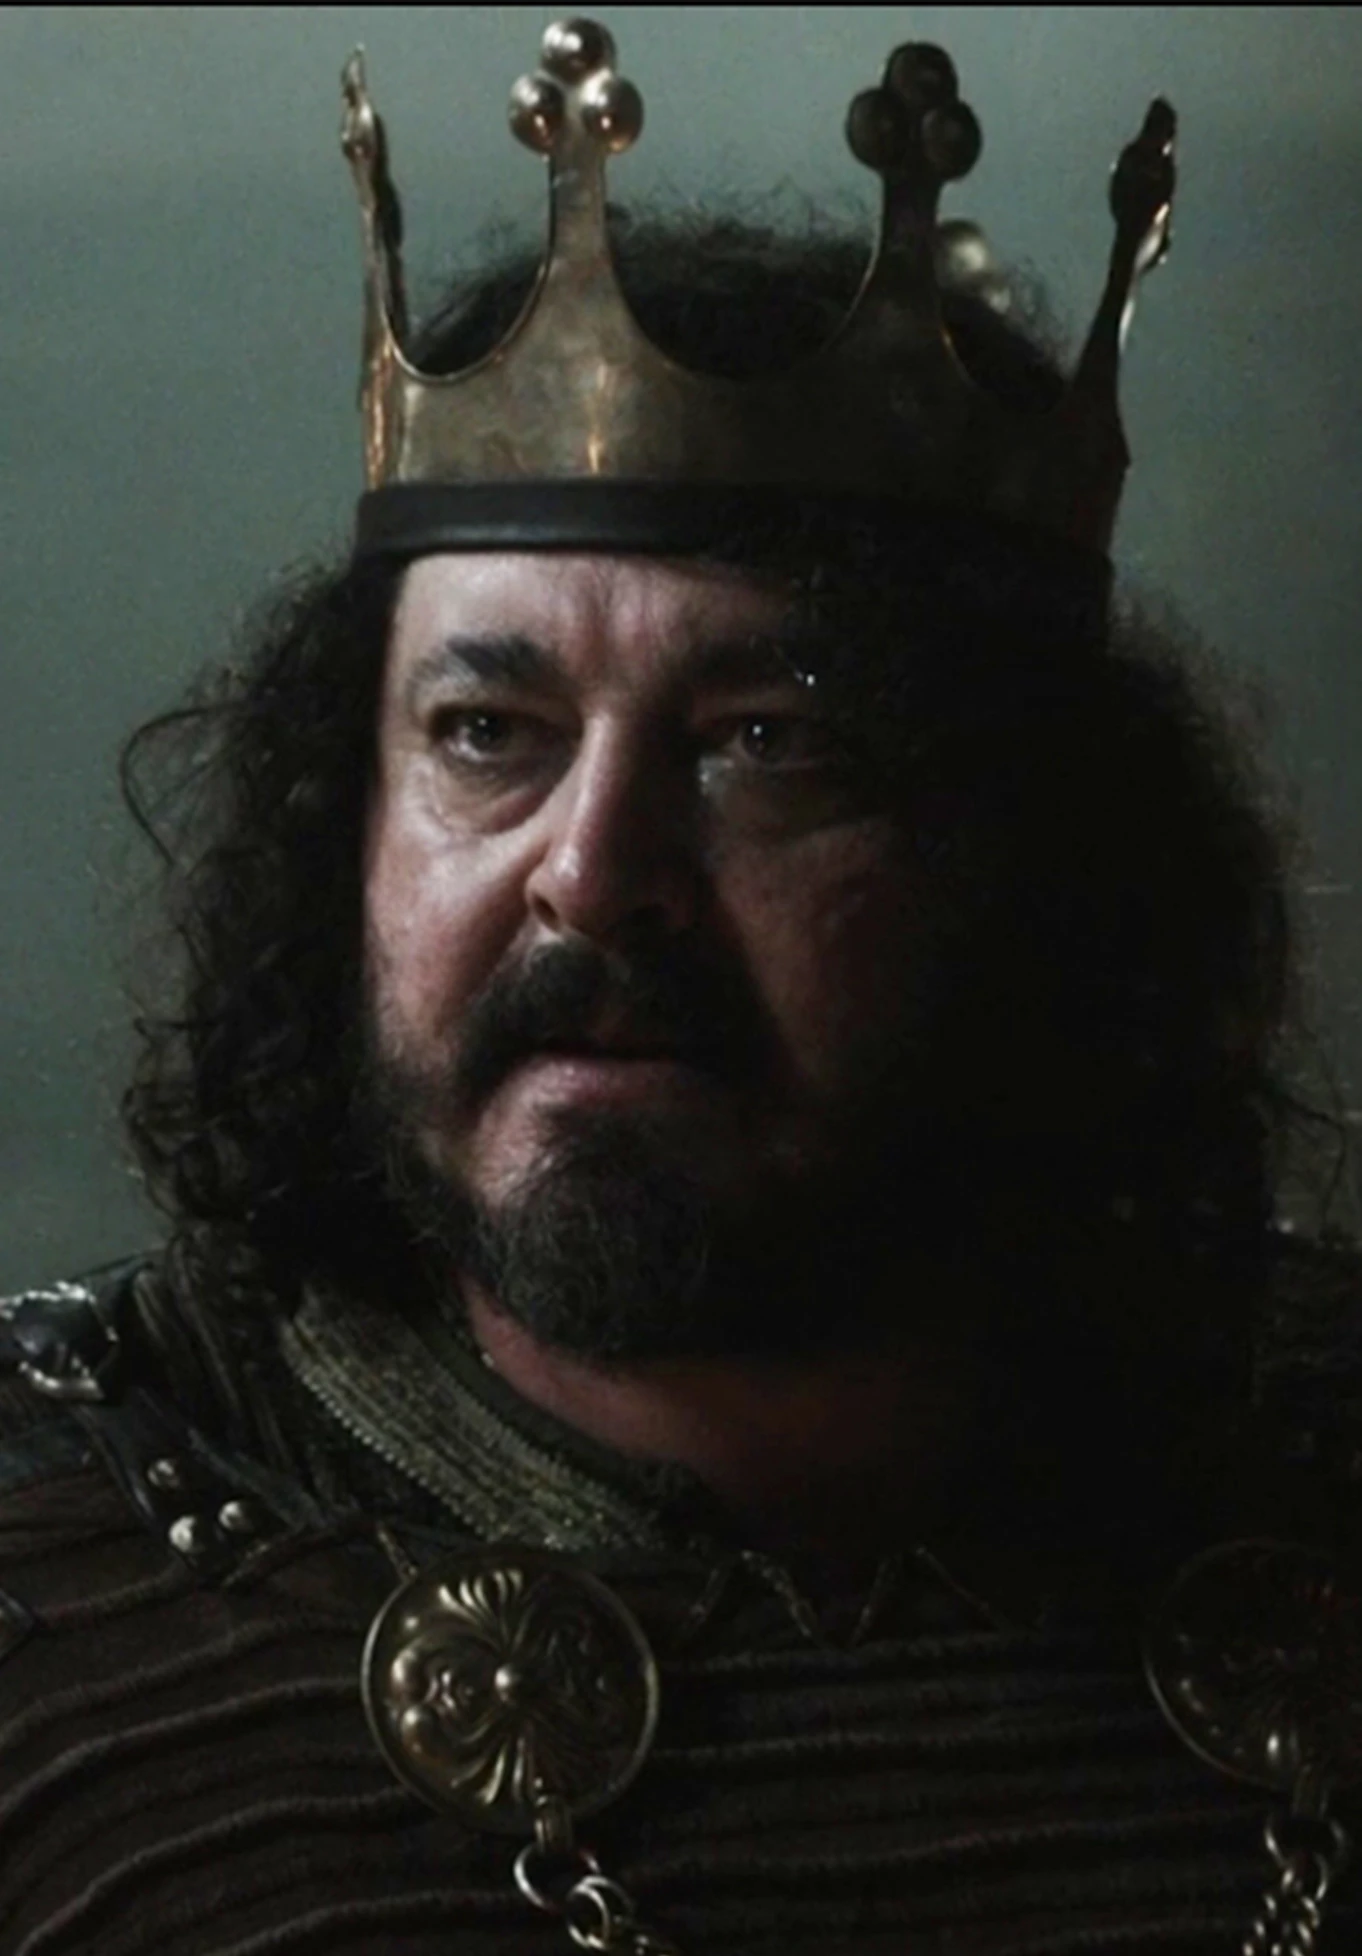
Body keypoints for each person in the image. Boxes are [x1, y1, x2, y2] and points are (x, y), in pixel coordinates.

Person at [0, 18, 1358, 1955]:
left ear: (1042, 861)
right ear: (347, 828)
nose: (593, 874)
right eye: (487, 733)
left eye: (765, 746)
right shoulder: (47, 1589)